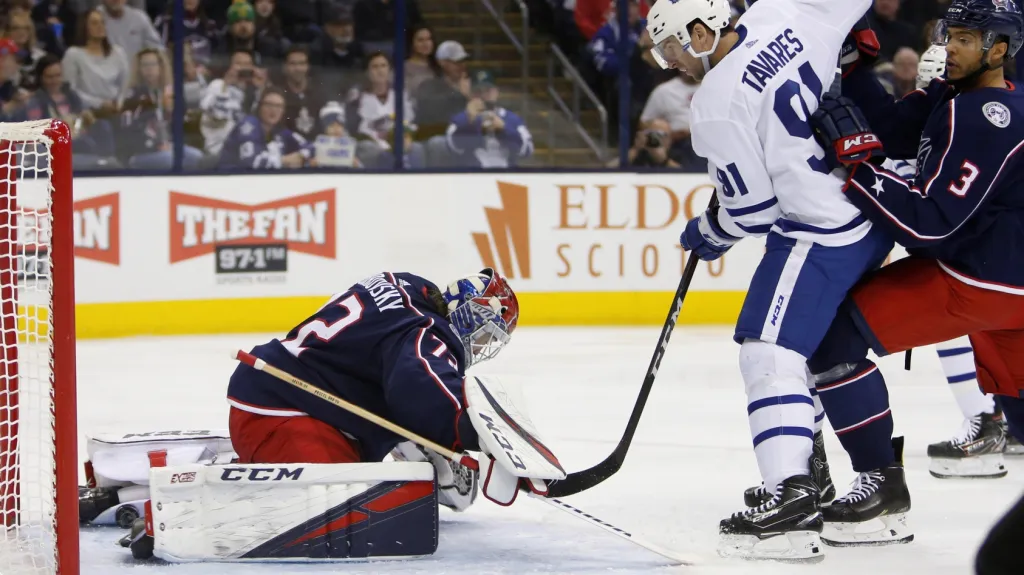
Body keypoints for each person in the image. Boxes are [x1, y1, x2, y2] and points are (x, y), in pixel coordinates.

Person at [646, 0, 889, 561]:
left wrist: (712, 229)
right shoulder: (782, 12)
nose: (670, 62)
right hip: (868, 201)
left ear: (702, 31)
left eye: (672, 47)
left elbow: (753, 212)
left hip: (821, 227)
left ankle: (790, 502)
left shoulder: (713, 102)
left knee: (768, 351)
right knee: (812, 354)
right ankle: (825, 477)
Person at [802, 0, 1024, 546]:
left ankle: (880, 486)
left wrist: (858, 167)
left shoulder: (987, 116)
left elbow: (932, 225)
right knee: (1020, 410)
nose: (951, 46)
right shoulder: (954, 96)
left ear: (999, 50)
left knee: (833, 340)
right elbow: (895, 129)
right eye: (952, 35)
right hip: (1004, 277)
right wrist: (855, 69)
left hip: (983, 280)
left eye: (968, 40)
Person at [226, 269, 517, 508]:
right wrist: (474, 433)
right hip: (285, 415)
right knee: (348, 512)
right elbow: (419, 382)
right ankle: (411, 436)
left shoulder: (402, 284)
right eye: (485, 335)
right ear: (470, 316)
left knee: (401, 408)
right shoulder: (424, 332)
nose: (481, 346)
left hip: (275, 396)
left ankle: (407, 435)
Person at [217, 86, 312, 169]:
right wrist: (284, 161)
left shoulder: (280, 132)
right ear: (260, 107)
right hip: (231, 181)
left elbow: (310, 146)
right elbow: (252, 163)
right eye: (269, 104)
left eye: (279, 106)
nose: (274, 110)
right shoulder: (248, 126)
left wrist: (301, 156)